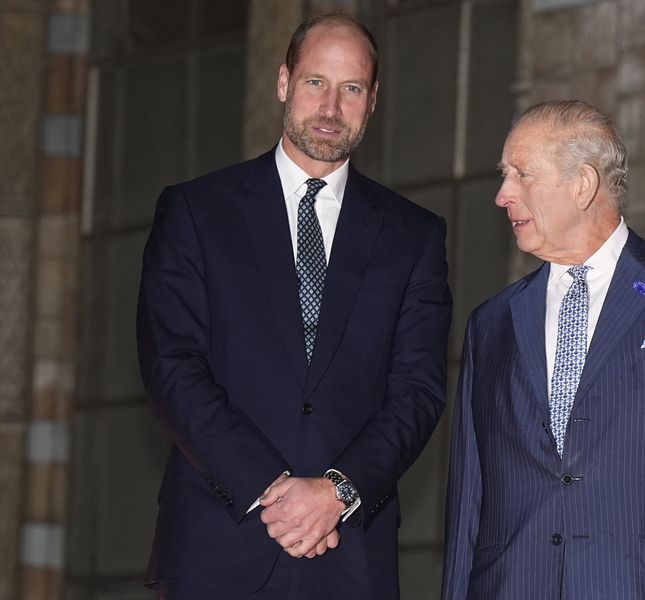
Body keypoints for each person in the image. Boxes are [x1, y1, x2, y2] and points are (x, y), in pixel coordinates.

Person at [136, 12, 451, 599]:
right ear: (283, 83)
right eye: (315, 83)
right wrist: (273, 489)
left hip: (349, 553)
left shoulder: (415, 236)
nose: (331, 108)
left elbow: (418, 392)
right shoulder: (196, 212)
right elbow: (172, 368)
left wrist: (336, 492)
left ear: (373, 99)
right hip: (217, 544)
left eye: (351, 88)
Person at [442, 100, 645, 598]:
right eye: (504, 175)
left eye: (521, 174)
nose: (503, 194)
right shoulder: (490, 325)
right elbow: (468, 504)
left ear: (583, 184)